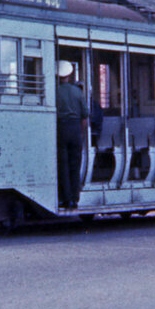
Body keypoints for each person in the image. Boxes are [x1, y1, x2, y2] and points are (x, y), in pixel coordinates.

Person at [55, 61, 89, 211]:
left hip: (61, 128)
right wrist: (81, 134)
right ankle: (75, 199)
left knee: (63, 165)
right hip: (75, 128)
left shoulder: (54, 91)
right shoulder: (78, 92)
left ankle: (65, 198)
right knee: (75, 165)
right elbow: (85, 117)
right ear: (69, 75)